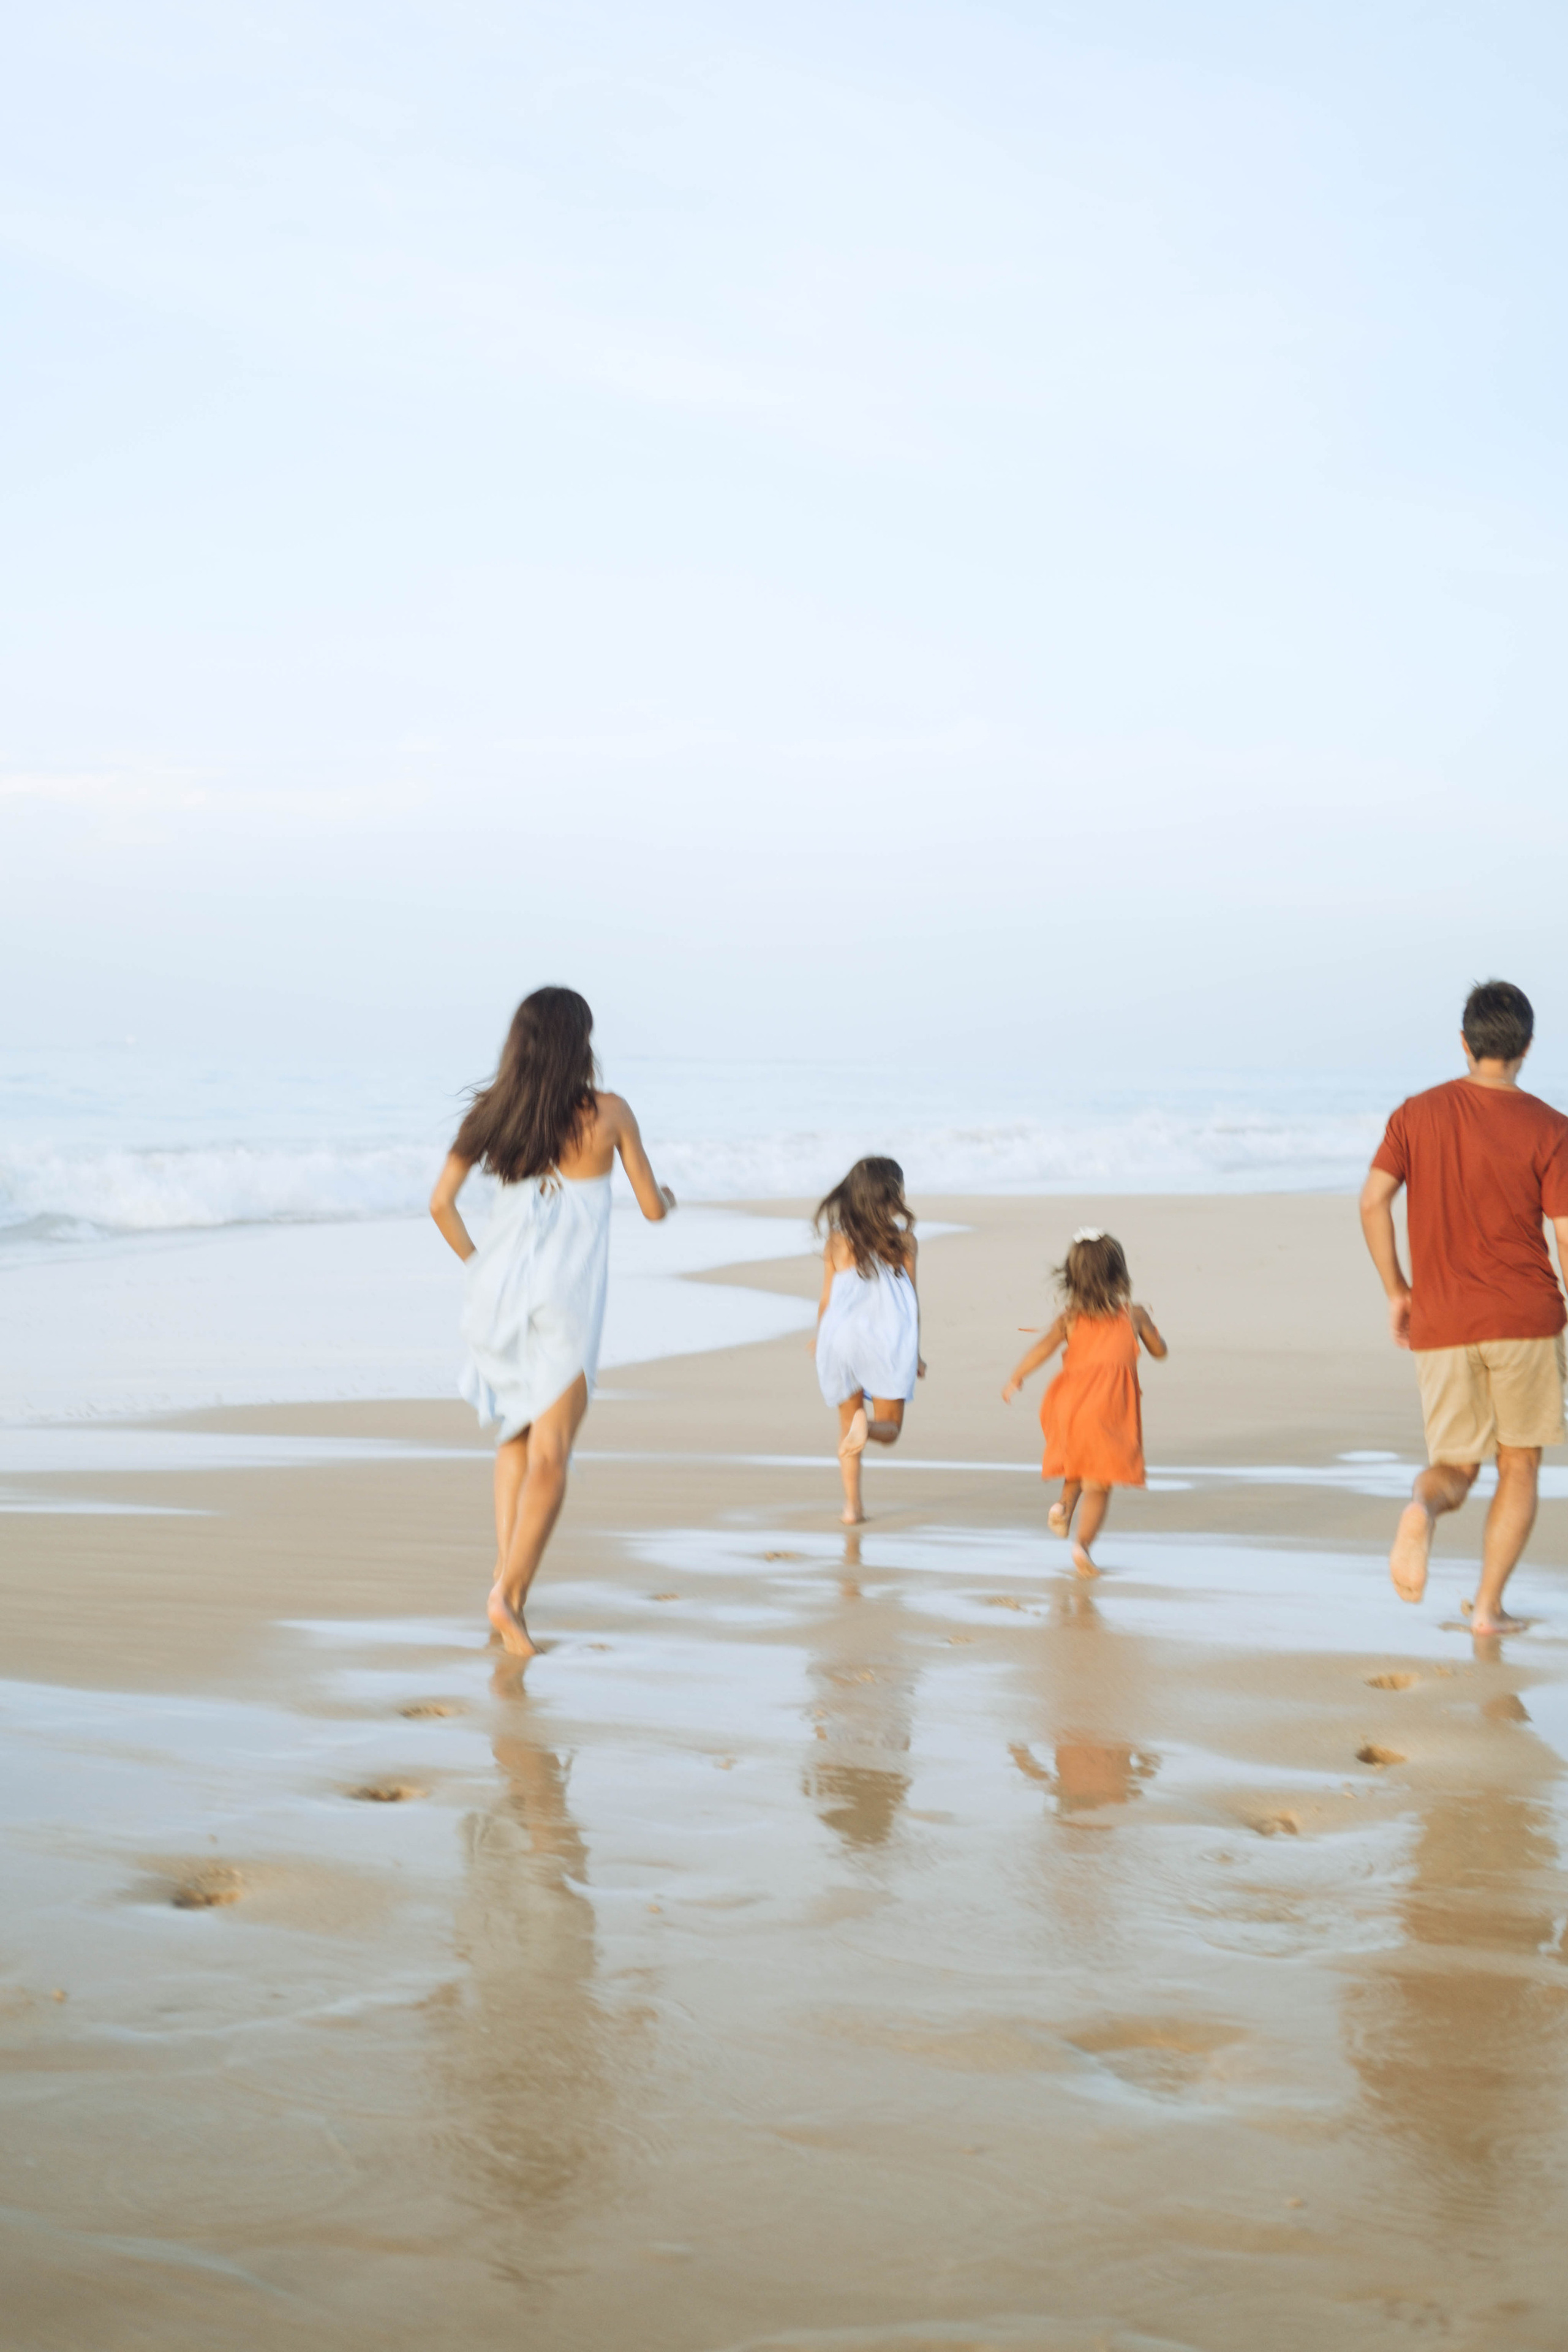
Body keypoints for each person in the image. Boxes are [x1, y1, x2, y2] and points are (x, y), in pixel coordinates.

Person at [430, 986, 675, 1657]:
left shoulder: (492, 1114)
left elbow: (440, 1205)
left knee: (516, 1437)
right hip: (565, 1304)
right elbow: (652, 1208)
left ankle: (507, 1579)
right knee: (552, 1457)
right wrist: (671, 1197)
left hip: (497, 1298)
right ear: (580, 1043)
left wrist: (481, 1268)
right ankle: (507, 1596)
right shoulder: (610, 1113)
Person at [1360, 979, 1568, 1636]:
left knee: (1455, 1468)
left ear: (1464, 1042)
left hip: (1442, 1322)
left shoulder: (1415, 1114)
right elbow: (1565, 1233)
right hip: (1525, 1319)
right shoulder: (1551, 1128)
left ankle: (1421, 1508)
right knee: (1519, 1462)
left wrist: (1399, 1291)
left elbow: (1372, 1202)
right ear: (1526, 1047)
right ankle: (1485, 1611)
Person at [1001, 1228, 1167, 1576]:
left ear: (1073, 1277)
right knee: (1100, 1483)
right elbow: (1159, 1351)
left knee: (1077, 1461)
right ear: (1120, 1275)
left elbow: (1043, 1348)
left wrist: (1017, 1377)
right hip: (1107, 1408)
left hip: (1069, 1404)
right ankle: (1083, 1547)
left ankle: (1063, 1507)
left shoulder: (1070, 1319)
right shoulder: (1134, 1315)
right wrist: (1153, 1334)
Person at [813, 1156, 925, 1526]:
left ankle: (852, 1508)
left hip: (839, 1338)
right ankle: (869, 1425)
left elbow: (827, 1301)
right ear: (891, 1197)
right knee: (888, 1429)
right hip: (886, 1339)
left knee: (847, 1429)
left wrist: (821, 1340)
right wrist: (916, 1353)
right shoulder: (904, 1241)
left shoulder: (836, 1242)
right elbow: (911, 1303)